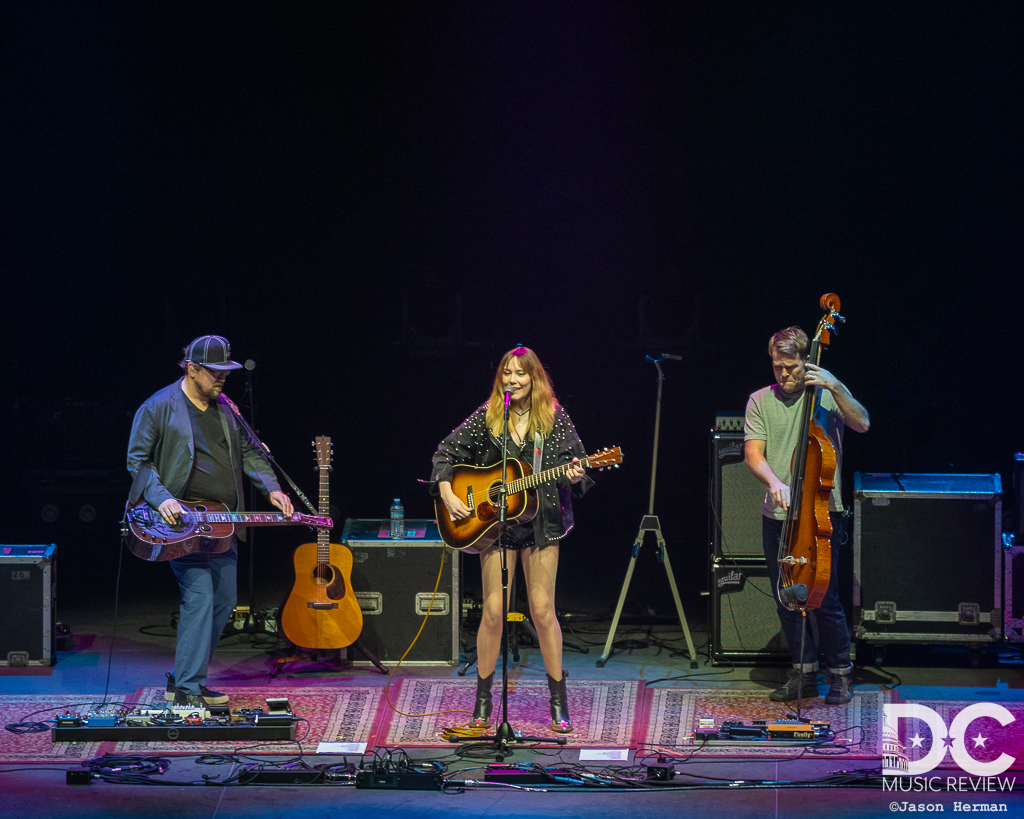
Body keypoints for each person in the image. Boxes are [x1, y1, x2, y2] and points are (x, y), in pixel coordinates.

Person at [431, 346, 593, 733]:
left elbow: (581, 468)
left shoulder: (554, 416)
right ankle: (483, 703)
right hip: (494, 526)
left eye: (520, 373)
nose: (512, 380)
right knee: (492, 611)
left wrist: (575, 475)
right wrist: (446, 491)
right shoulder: (489, 414)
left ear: (534, 377)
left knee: (541, 610)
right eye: (507, 373)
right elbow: (446, 451)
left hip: (541, 525)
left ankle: (558, 701)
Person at [126, 335, 293, 707]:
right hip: (181, 522)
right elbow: (137, 462)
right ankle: (187, 687)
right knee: (200, 596)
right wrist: (163, 498)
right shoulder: (159, 406)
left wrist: (272, 490)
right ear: (192, 369)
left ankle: (184, 675)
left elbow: (251, 453)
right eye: (215, 373)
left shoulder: (227, 408)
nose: (222, 379)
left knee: (225, 599)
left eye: (225, 373)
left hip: (221, 522)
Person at [744, 326, 870, 705]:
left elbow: (862, 423)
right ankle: (803, 675)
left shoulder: (826, 397)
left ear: (806, 362)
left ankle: (840, 675)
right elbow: (754, 453)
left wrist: (835, 386)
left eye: (792, 367)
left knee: (824, 599)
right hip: (778, 516)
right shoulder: (759, 401)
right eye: (777, 367)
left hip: (821, 515)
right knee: (787, 595)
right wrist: (773, 482)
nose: (784, 375)